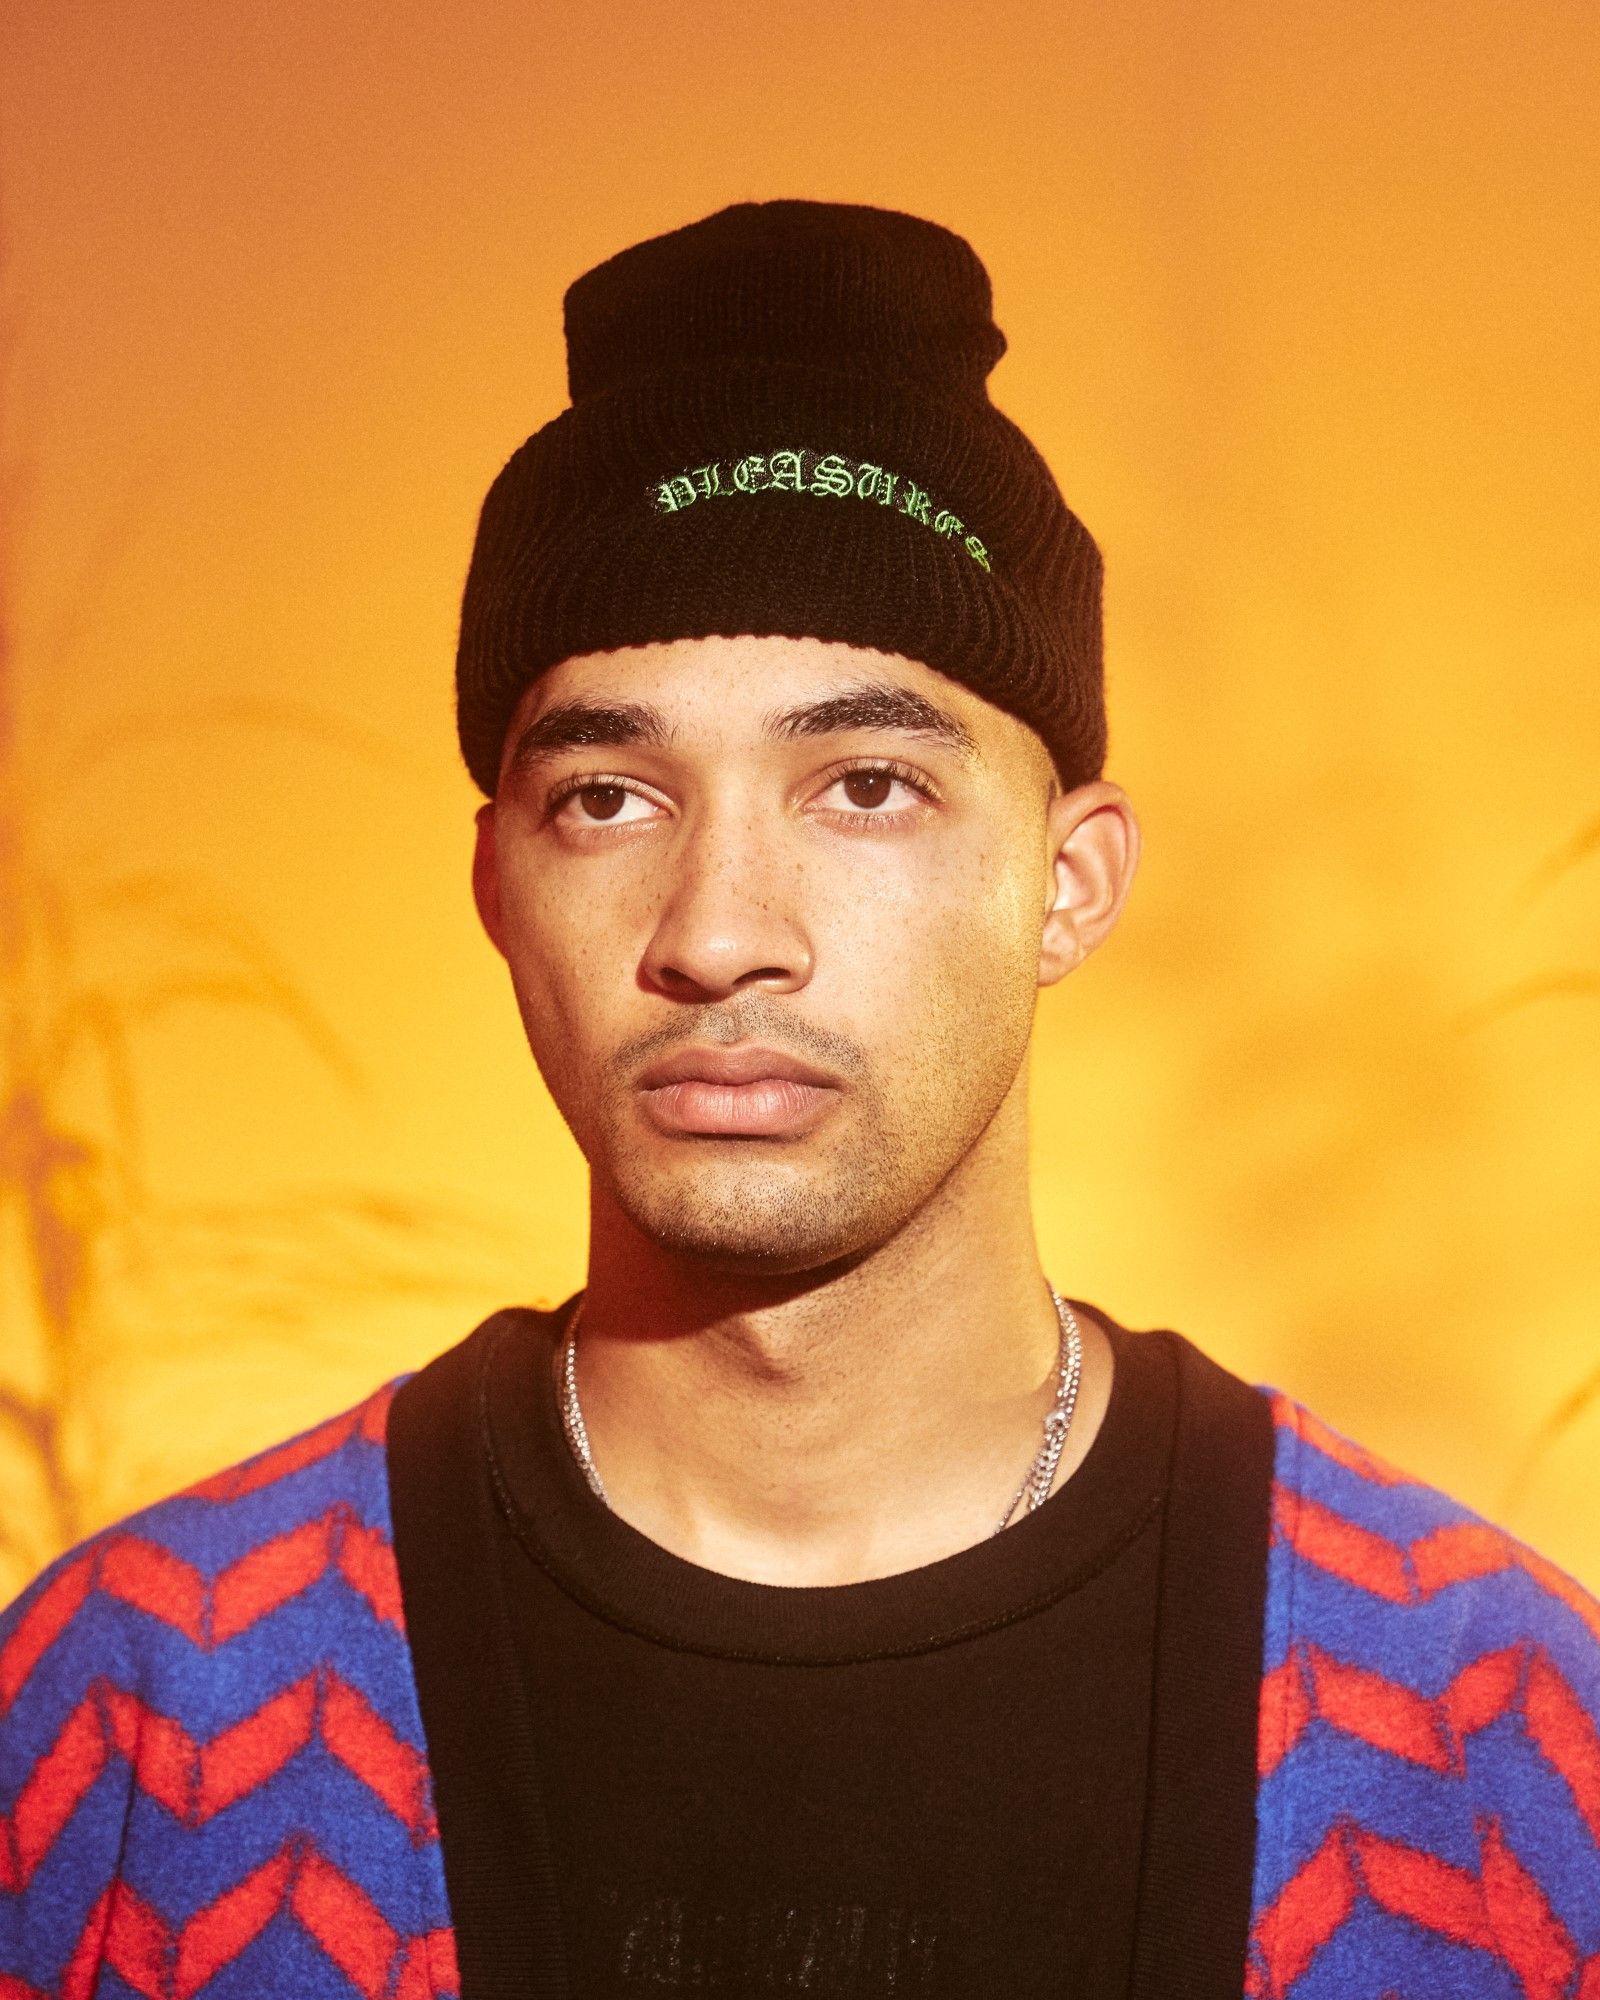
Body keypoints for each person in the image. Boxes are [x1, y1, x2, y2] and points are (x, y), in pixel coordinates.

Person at [2, 200, 1597, 2000]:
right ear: (497, 886)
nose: (716, 932)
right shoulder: (139, 1715)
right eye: (607, 798)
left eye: (866, 785)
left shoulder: (1486, 1730)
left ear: (1068, 885)